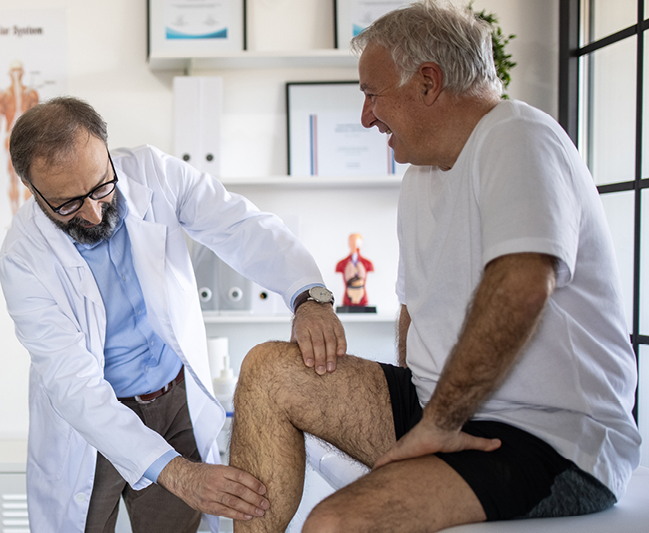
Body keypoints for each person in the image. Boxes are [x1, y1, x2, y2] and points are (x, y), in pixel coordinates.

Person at [228, 2, 641, 532]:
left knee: (334, 523)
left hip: (549, 439)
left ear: (428, 82)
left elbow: (521, 286)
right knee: (267, 370)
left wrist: (440, 421)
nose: (366, 117)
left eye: (372, 94)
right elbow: (414, 311)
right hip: (441, 409)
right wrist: (422, 411)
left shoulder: (518, 136)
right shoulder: (420, 176)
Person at [0, 96, 346, 533]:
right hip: (92, 423)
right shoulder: (22, 258)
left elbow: (240, 225)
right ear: (32, 191)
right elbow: (74, 385)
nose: (93, 211)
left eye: (101, 186)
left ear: (107, 151)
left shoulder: (153, 173)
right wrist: (177, 472)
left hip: (174, 402)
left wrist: (308, 295)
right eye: (67, 204)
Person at [0, 60, 40, 215]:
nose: (16, 75)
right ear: (9, 74)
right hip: (11, 138)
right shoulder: (4, 95)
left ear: (22, 73)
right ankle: (15, 216)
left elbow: (39, 121)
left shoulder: (31, 94)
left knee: (30, 179)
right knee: (13, 177)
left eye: (18, 71)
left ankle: (28, 216)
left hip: (29, 139)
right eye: (13, 72)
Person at [335, 232, 374, 308]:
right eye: (352, 241)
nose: (355, 244)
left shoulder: (367, 263)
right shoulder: (342, 263)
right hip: (348, 298)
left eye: (357, 242)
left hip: (362, 297)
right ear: (349, 243)